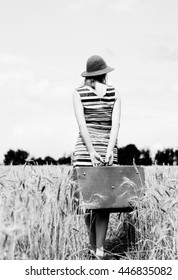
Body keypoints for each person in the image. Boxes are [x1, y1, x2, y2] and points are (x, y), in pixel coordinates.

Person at [72, 55, 121, 259]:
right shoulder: (114, 92)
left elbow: (82, 125)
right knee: (104, 205)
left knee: (88, 203)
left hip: (85, 151)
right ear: (104, 74)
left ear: (88, 75)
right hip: (107, 151)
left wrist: (91, 151)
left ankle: (92, 248)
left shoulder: (78, 93)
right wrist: (108, 150)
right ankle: (100, 250)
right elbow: (115, 124)